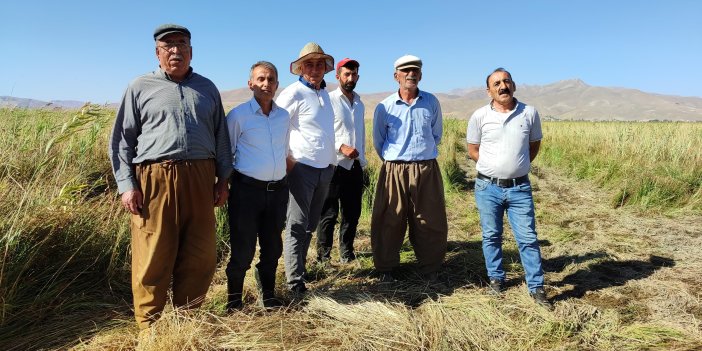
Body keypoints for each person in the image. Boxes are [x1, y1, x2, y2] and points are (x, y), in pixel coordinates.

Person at [109, 24, 232, 329]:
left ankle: (186, 324)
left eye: (182, 44)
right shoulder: (140, 87)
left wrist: (223, 180)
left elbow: (221, 137)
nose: (176, 50)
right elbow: (122, 140)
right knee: (153, 256)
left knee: (200, 255)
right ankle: (149, 328)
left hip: (201, 178)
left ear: (191, 51)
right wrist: (127, 186)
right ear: (158, 52)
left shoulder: (207, 88)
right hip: (154, 180)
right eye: (168, 45)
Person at [466, 67, 553, 310]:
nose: (502, 86)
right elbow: (473, 149)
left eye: (506, 81)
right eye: (497, 84)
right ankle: (496, 278)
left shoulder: (530, 113)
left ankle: (536, 287)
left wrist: (516, 166)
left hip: (519, 188)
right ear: (489, 91)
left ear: (513, 85)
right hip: (487, 187)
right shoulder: (479, 116)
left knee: (527, 238)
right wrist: (492, 166)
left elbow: (533, 146)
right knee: (491, 235)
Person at [371, 54, 448, 283]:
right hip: (394, 169)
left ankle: (430, 267)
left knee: (429, 218)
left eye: (415, 70)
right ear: (396, 76)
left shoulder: (431, 102)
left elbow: (436, 135)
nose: (411, 74)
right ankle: (385, 269)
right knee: (389, 219)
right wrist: (395, 162)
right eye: (405, 71)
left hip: (426, 168)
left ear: (421, 75)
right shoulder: (384, 107)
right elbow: (378, 141)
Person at [225, 61, 289, 310]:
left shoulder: (283, 116)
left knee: (273, 248)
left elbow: (284, 150)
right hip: (246, 193)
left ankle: (268, 297)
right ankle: (234, 303)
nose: (266, 84)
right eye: (261, 79)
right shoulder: (238, 116)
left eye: (271, 79)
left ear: (277, 84)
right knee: (242, 250)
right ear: (250, 83)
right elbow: (227, 153)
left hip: (277, 192)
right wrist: (225, 185)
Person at [276, 42, 336, 294]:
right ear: (300, 68)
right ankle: (294, 283)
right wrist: (288, 160)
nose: (314, 68)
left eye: (319, 64)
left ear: (325, 68)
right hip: (302, 168)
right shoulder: (292, 93)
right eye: (309, 64)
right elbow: (278, 127)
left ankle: (299, 270)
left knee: (310, 223)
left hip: (325, 168)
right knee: (296, 225)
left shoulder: (324, 94)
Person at [316, 58, 366, 264]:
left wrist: (362, 160)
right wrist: (341, 147)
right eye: (347, 74)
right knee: (328, 213)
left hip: (354, 166)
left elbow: (361, 134)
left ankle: (347, 253)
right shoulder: (328, 101)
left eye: (354, 74)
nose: (350, 78)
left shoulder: (360, 103)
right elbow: (322, 131)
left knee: (352, 212)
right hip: (334, 164)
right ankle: (323, 258)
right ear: (337, 76)